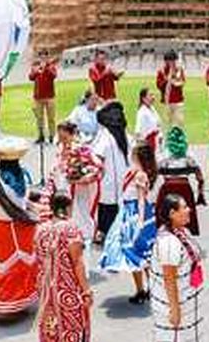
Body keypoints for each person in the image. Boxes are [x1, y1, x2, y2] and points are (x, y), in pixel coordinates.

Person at [0, 137, 40, 316]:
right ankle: (22, 301)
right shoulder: (23, 175)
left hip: (6, 227)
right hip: (21, 227)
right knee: (22, 265)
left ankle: (8, 302)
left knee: (6, 266)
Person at [34, 192, 93, 342]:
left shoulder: (41, 230)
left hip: (47, 294)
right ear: (68, 207)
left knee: (52, 335)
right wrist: (86, 290)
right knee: (73, 331)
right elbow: (77, 263)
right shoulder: (70, 229)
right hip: (67, 293)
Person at [150, 193, 204, 342]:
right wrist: (174, 309)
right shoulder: (168, 242)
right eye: (184, 207)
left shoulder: (182, 232)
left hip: (188, 305)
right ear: (172, 213)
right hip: (175, 306)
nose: (189, 210)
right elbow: (169, 277)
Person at [100, 143, 159, 303]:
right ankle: (147, 289)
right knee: (138, 252)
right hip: (129, 211)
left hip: (134, 213)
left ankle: (146, 289)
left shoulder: (140, 175)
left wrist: (139, 220)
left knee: (136, 251)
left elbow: (140, 199)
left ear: (137, 156)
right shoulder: (136, 173)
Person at [48, 121, 101, 268]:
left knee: (81, 228)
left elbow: (97, 169)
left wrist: (82, 178)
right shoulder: (60, 150)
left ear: (72, 135)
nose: (62, 141)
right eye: (60, 137)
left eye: (64, 137)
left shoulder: (82, 150)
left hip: (79, 197)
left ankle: (82, 265)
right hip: (63, 194)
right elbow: (56, 170)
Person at [93, 101, 131, 244]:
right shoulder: (124, 135)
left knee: (106, 207)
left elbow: (97, 154)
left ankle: (105, 233)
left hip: (108, 179)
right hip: (120, 178)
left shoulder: (106, 135)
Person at [156, 127, 205, 235]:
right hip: (184, 187)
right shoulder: (188, 154)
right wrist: (201, 190)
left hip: (168, 186)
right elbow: (198, 172)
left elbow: (157, 168)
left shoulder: (165, 154)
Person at [29, 52, 59, 144]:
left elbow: (53, 76)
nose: (43, 59)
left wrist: (46, 68)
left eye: (45, 57)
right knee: (39, 118)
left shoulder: (51, 66)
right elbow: (31, 77)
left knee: (51, 118)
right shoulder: (36, 66)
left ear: (47, 58)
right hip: (38, 97)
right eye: (41, 57)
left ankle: (52, 136)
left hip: (50, 97)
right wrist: (35, 71)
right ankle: (41, 135)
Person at [156, 51, 186, 127]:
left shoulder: (179, 70)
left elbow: (182, 82)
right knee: (167, 123)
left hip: (178, 101)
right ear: (166, 61)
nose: (172, 63)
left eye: (174, 61)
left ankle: (178, 138)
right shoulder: (161, 72)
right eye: (170, 61)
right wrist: (167, 80)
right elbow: (159, 86)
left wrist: (176, 80)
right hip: (166, 102)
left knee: (179, 123)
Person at [135, 87, 162, 152]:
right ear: (144, 99)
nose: (153, 97)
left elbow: (158, 123)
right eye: (150, 95)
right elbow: (138, 130)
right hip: (148, 143)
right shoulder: (142, 112)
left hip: (156, 142)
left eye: (153, 95)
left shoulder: (152, 108)